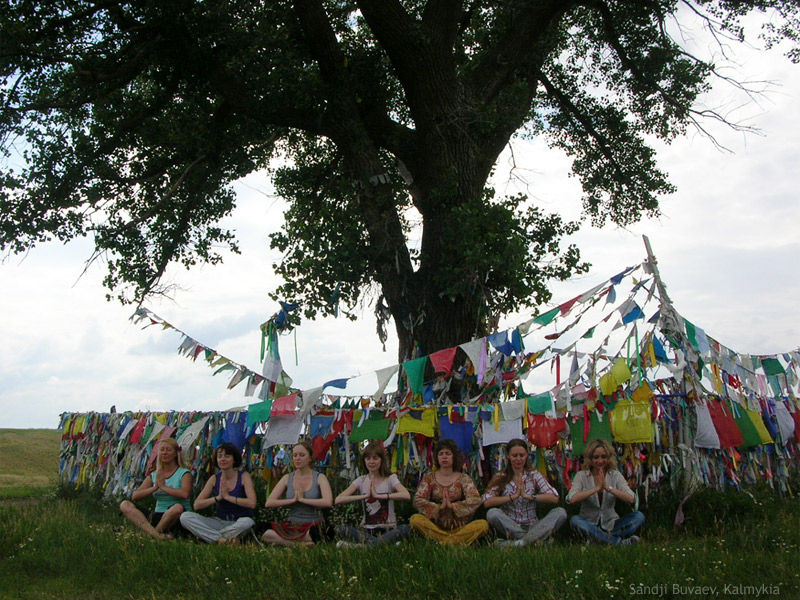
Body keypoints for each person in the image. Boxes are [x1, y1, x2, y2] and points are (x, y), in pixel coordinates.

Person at [482, 438, 567, 546]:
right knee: (492, 513)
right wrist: (512, 496)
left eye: (521, 455)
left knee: (560, 512)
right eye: (514, 456)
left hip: (533, 525)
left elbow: (554, 497)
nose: (518, 459)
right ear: (508, 456)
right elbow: (487, 501)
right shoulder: (501, 476)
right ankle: (535, 541)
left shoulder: (534, 475)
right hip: (511, 525)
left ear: (527, 455)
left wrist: (531, 497)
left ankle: (518, 543)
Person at [410, 438, 488, 546]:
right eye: (441, 454)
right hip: (435, 527)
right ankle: (453, 542)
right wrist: (438, 508)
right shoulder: (430, 478)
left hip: (460, 527)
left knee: (482, 525)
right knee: (415, 520)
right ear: (437, 457)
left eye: (448, 453)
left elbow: (475, 500)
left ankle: (443, 542)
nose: (444, 456)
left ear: (454, 456)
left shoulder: (463, 478)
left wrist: (453, 507)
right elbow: (418, 500)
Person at [567, 438, 644, 545]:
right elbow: (572, 498)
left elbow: (631, 498)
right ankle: (618, 543)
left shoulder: (615, 475)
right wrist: (596, 489)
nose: (600, 461)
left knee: (638, 517)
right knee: (575, 521)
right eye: (596, 457)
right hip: (589, 523)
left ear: (609, 458)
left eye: (604, 457)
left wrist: (608, 488)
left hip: (611, 524)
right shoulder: (582, 475)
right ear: (590, 458)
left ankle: (598, 540)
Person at [334, 440, 412, 547]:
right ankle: (381, 545)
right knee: (340, 529)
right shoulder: (361, 480)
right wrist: (364, 496)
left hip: (388, 530)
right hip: (367, 531)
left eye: (375, 458)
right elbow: (338, 499)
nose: (371, 462)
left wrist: (380, 496)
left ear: (381, 460)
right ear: (364, 461)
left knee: (406, 528)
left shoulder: (390, 479)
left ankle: (362, 546)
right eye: (368, 458)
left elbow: (406, 495)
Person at [180, 443, 257, 544]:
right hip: (219, 521)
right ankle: (222, 539)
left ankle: (208, 537)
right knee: (185, 517)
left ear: (234, 459)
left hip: (239, 523)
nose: (223, 459)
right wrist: (218, 498)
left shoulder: (244, 476)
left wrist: (228, 497)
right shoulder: (214, 478)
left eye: (227, 456)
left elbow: (252, 503)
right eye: (219, 456)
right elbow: (197, 505)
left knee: (248, 522)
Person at [261, 440, 333, 546]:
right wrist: (292, 500)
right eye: (295, 455)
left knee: (324, 532)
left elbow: (328, 502)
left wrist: (303, 500)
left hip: (313, 525)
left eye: (302, 455)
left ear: (310, 458)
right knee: (262, 530)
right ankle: (298, 544)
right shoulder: (287, 478)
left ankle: (294, 541)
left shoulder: (319, 477)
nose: (297, 458)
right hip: (292, 525)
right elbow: (269, 502)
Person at [119, 437, 193, 539]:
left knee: (177, 507)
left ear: (176, 454)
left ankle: (152, 534)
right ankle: (156, 535)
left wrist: (163, 487)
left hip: (177, 517)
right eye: (162, 450)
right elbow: (135, 496)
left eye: (168, 450)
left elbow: (185, 493)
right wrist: (155, 488)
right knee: (125, 504)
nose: (164, 453)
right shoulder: (154, 475)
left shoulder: (184, 473)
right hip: (159, 515)